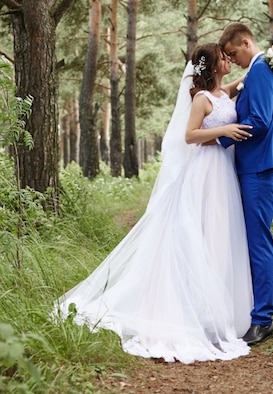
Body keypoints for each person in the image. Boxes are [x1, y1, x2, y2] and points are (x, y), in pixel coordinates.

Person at [54, 43, 254, 364]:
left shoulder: (219, 94)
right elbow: (189, 136)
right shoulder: (200, 99)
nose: (228, 61)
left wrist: (267, 67)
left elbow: (234, 87)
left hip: (223, 172)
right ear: (213, 65)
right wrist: (224, 130)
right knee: (201, 233)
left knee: (219, 235)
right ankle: (194, 311)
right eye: (223, 57)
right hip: (206, 168)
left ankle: (220, 310)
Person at [218, 23, 273, 346]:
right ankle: (255, 311)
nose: (233, 60)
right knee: (253, 239)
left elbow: (260, 121)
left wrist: (219, 137)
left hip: (260, 165)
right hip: (260, 163)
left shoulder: (260, 69)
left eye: (233, 53)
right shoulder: (262, 68)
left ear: (246, 42)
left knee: (259, 242)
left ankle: (262, 320)